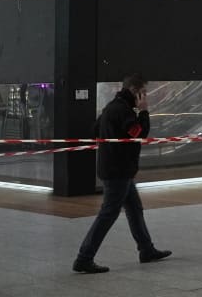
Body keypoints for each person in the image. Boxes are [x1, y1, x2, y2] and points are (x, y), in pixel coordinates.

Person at [73, 74, 170, 273]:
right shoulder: (124, 110)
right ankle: (84, 257)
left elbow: (95, 129)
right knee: (108, 214)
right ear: (135, 91)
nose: (145, 97)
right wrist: (144, 112)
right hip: (119, 172)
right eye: (144, 92)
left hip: (116, 169)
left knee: (135, 209)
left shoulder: (111, 107)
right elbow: (139, 134)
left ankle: (146, 249)